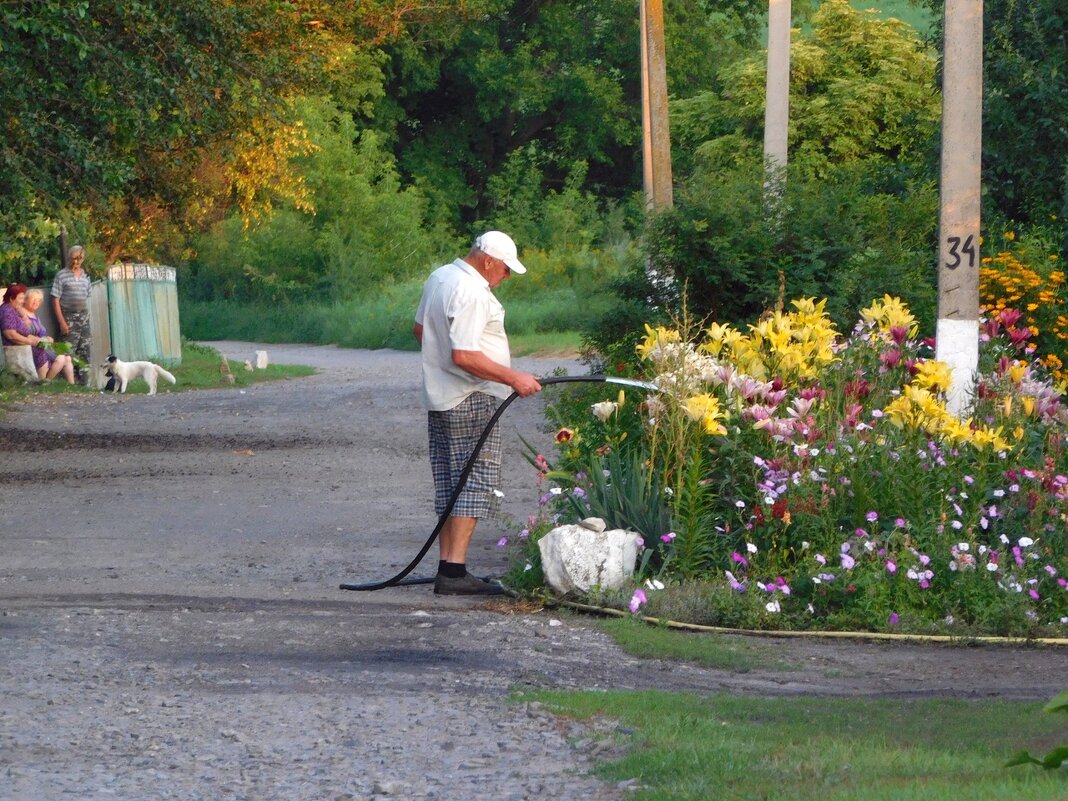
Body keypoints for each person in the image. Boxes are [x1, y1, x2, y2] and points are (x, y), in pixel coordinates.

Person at [413, 230, 543, 596]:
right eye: (504, 271)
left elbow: (420, 330)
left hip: (443, 395)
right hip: (472, 396)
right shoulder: (472, 292)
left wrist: (442, 366)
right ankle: (453, 574)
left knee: (452, 479)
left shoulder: (441, 277)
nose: (505, 279)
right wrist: (513, 377)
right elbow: (465, 356)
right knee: (475, 479)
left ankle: (449, 569)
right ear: (488, 261)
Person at [1, 283, 75, 382]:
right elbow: (10, 334)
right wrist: (32, 341)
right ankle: (43, 381)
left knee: (65, 356)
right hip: (17, 346)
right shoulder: (6, 311)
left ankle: (67, 385)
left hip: (25, 343)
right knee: (51, 353)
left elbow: (25, 332)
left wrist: (36, 339)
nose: (22, 301)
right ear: (11, 298)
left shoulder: (13, 309)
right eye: (20, 298)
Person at [51, 245, 92, 382]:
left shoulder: (86, 276)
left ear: (83, 258)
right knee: (67, 351)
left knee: (85, 351)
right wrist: (62, 322)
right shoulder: (61, 275)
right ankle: (67, 383)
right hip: (68, 317)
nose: (76, 262)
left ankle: (84, 384)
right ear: (69, 258)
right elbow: (55, 299)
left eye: (79, 258)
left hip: (84, 318)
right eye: (73, 259)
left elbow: (87, 296)